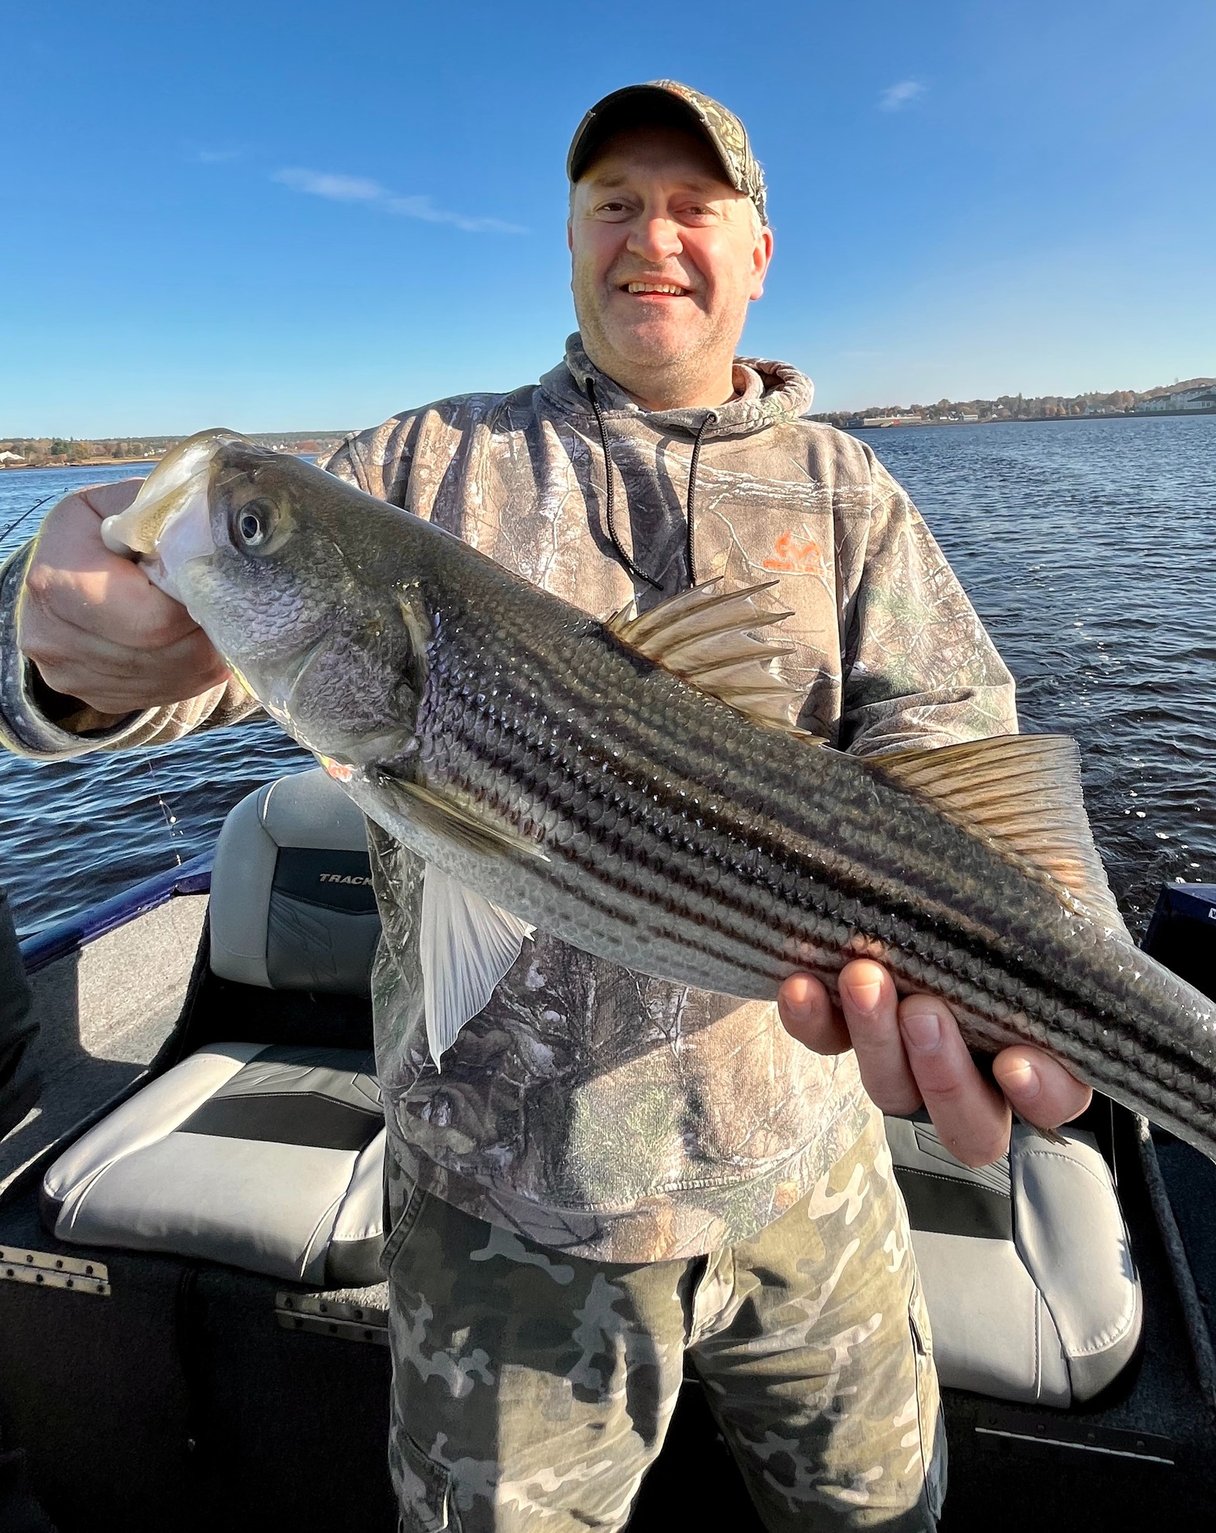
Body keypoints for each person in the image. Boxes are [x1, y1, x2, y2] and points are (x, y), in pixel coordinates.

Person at [1, 82, 1090, 1531]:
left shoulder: (852, 496)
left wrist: (1061, 969)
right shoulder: (415, 473)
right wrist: (60, 650)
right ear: (571, 238)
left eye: (694, 207)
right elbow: (161, 670)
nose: (654, 238)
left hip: (812, 1192)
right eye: (615, 205)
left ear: (758, 253)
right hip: (500, 1219)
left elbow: (967, 768)